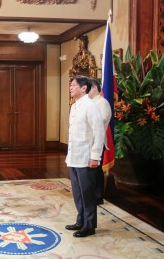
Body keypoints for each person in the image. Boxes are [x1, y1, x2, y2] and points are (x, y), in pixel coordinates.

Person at [65, 75, 104, 238]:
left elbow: (99, 132)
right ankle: (80, 220)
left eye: (73, 85)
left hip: (86, 157)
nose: (71, 88)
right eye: (71, 85)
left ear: (84, 88)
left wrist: (95, 156)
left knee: (87, 192)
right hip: (74, 156)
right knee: (77, 192)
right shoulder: (74, 106)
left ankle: (89, 225)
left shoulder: (90, 106)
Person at [89, 78, 112, 205]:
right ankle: (89, 193)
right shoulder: (89, 102)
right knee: (88, 170)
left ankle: (98, 196)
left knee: (96, 170)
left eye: (88, 88)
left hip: (97, 141)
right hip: (86, 141)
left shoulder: (103, 103)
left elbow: (101, 121)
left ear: (94, 88)